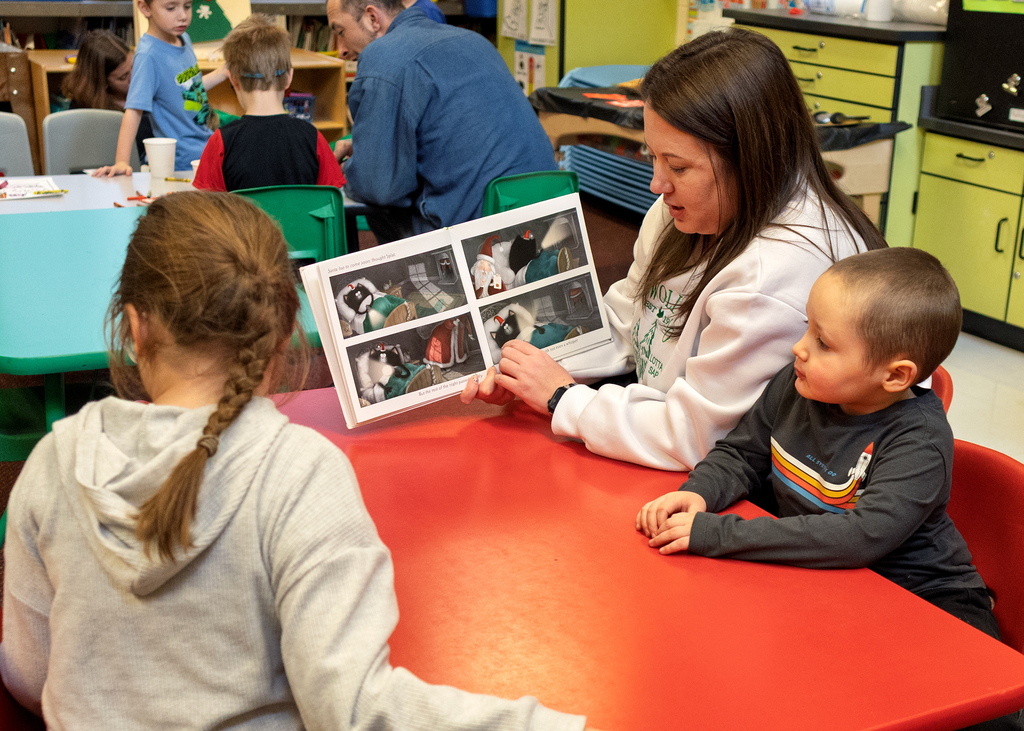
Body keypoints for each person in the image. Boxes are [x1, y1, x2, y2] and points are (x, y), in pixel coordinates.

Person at [0, 191, 597, 731]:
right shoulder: (300, 474)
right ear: (283, 338)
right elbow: (353, 712)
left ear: (134, 327)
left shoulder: (54, 459)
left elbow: (30, 676)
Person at [462, 28, 887, 472]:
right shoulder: (686, 212)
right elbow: (627, 321)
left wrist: (561, 397)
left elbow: (695, 437)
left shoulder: (775, 272)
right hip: (656, 428)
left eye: (679, 167)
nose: (657, 185)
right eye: (654, 157)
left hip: (747, 484)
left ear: (751, 159)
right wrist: (530, 366)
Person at [635, 248, 1021, 731]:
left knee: (980, 716)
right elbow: (743, 453)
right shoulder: (799, 385)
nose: (800, 348)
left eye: (823, 343)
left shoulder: (919, 440)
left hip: (926, 599)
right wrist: (700, 493)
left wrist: (715, 533)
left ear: (895, 375)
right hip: (833, 586)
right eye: (807, 328)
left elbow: (857, 538)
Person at [325, 0, 556, 242]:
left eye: (340, 31)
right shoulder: (474, 40)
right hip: (550, 218)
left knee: (380, 203)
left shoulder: (382, 55)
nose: (341, 50)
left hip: (481, 239)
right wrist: (370, 148)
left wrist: (355, 166)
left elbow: (379, 188)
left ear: (372, 18)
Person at [192, 14, 346, 192]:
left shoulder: (220, 142)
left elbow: (207, 206)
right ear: (288, 77)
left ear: (234, 80)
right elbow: (332, 199)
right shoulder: (313, 138)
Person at [93, 0, 228, 177]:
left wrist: (223, 72)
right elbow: (133, 111)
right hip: (181, 162)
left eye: (187, 6)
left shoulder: (184, 39)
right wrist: (122, 161)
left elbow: (189, 89)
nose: (183, 16)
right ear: (145, 8)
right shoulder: (148, 55)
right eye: (171, 8)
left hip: (205, 148)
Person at [61, 30, 134, 111]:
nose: (134, 77)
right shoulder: (82, 108)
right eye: (123, 77)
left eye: (133, 67)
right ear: (102, 82)